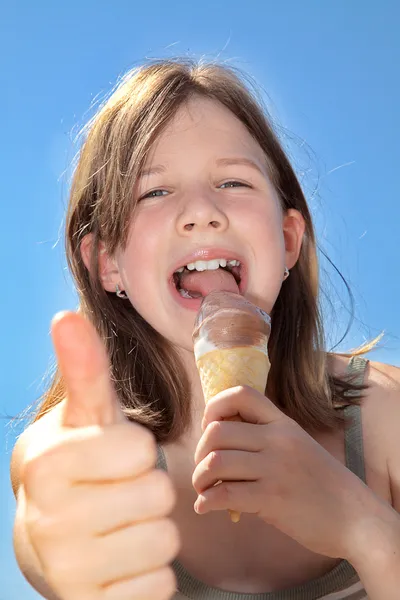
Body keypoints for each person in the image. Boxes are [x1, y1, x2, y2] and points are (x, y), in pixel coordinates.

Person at [10, 58, 400, 600]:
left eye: (233, 181)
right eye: (154, 192)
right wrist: (49, 544)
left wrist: (365, 527)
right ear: (107, 262)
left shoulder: (385, 413)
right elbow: (48, 493)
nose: (201, 212)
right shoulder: (88, 445)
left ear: (287, 241)